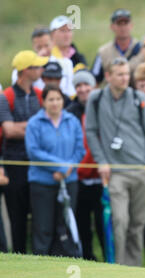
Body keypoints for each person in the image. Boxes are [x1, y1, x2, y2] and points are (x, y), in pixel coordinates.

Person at [85, 57, 145, 266]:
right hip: (116, 172)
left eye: (127, 73)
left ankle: (133, 271)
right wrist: (101, 161)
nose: (125, 78)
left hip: (141, 171)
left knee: (137, 226)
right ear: (108, 76)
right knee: (120, 221)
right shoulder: (96, 99)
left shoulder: (138, 97)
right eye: (120, 74)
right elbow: (91, 131)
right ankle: (118, 267)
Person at [25, 84, 85, 256]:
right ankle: (42, 267)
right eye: (50, 99)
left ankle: (64, 266)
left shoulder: (72, 121)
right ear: (43, 102)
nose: (55, 103)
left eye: (58, 99)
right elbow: (34, 152)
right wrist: (60, 166)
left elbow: (80, 150)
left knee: (65, 227)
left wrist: (67, 169)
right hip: (42, 183)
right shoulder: (34, 123)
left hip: (69, 181)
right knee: (43, 228)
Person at [0, 50, 48, 254]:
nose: (41, 69)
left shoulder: (40, 95)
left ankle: (39, 257)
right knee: (17, 217)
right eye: (37, 66)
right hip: (15, 165)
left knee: (39, 216)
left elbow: (47, 127)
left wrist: (26, 128)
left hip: (37, 164)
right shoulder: (6, 97)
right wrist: (36, 128)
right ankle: (19, 256)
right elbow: (9, 131)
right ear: (25, 71)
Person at [66, 70, 105, 261]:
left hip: (101, 176)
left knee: (103, 223)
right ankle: (87, 258)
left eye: (86, 85)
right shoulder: (71, 112)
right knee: (82, 225)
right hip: (79, 178)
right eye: (78, 86)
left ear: (93, 86)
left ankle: (110, 259)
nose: (82, 89)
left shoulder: (103, 108)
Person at [12, 27, 75, 97]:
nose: (43, 50)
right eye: (39, 47)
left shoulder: (66, 63)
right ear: (33, 47)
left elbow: (70, 90)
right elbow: (17, 84)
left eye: (46, 45)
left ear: (53, 43)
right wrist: (36, 63)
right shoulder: (28, 66)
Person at [91, 9, 141, 85]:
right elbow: (95, 80)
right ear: (112, 27)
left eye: (126, 23)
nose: (123, 27)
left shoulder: (142, 48)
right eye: (119, 24)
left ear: (131, 25)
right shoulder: (103, 52)